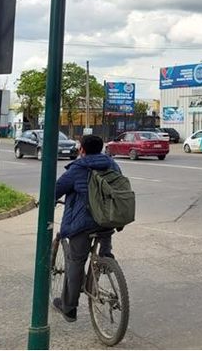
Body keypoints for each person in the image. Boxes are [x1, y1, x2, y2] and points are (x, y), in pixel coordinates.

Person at [53, 134, 121, 323]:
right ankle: (105, 258)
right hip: (108, 220)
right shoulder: (112, 165)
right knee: (103, 233)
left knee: (75, 261)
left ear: (81, 149)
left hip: (83, 225)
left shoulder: (77, 168)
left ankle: (69, 308)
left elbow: (56, 189)